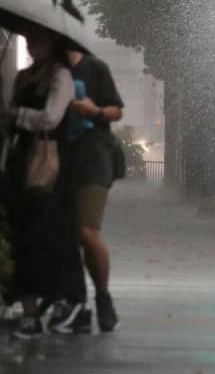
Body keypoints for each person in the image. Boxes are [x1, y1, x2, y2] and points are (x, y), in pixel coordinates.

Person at [0, 26, 87, 339]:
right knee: (19, 235)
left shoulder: (60, 76)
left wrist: (17, 113)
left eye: (40, 38)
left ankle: (65, 302)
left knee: (46, 235)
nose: (33, 43)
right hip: (18, 163)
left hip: (48, 165)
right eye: (30, 37)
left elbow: (51, 118)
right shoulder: (24, 77)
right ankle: (29, 312)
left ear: (54, 42)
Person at [66, 49, 123, 333]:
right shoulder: (48, 72)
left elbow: (116, 110)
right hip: (58, 163)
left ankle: (102, 297)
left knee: (86, 231)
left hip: (94, 161)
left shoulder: (95, 69)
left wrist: (94, 111)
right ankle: (74, 303)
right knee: (63, 235)